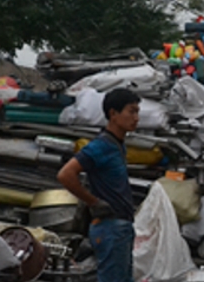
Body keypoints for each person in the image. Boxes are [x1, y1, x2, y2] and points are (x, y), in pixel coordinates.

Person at [57, 89, 140, 282]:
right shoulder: (101, 146)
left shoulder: (117, 145)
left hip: (120, 228)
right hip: (111, 227)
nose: (136, 118)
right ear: (113, 113)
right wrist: (93, 202)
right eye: (131, 111)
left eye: (137, 112)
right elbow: (65, 174)